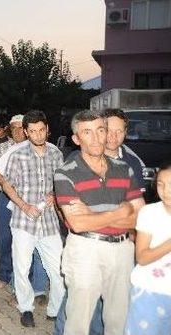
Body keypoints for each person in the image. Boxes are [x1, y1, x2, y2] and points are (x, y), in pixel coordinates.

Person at [53, 108, 149, 335]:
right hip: (86, 250)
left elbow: (141, 216)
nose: (96, 138)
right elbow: (78, 224)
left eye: (100, 130)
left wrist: (93, 216)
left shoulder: (124, 168)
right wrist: (121, 212)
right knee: (78, 323)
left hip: (123, 251)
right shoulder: (66, 172)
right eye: (87, 132)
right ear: (77, 139)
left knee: (119, 322)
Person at [2, 111, 65, 327]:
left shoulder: (56, 154)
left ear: (47, 129)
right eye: (33, 131)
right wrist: (24, 205)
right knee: (21, 267)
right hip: (23, 221)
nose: (38, 135)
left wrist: (55, 195)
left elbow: (61, 183)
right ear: (26, 132)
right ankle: (26, 308)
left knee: (58, 269)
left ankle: (55, 309)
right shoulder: (17, 154)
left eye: (41, 130)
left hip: (48, 221)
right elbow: (7, 184)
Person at [124, 159, 171, 334]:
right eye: (161, 185)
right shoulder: (150, 213)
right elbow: (142, 257)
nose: (166, 191)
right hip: (150, 291)